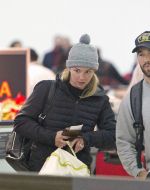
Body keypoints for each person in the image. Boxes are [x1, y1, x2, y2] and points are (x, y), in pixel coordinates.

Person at [14, 34, 116, 172]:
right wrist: (52, 137)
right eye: (77, 70)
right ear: (69, 68)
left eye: (88, 72)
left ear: (94, 72)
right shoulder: (46, 88)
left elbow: (113, 135)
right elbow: (21, 122)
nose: (82, 77)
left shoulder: (100, 98)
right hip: (40, 169)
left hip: (77, 170)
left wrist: (85, 139)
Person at [116, 31, 150, 179]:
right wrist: (140, 173)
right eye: (141, 54)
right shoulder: (133, 97)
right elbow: (124, 141)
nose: (146, 59)